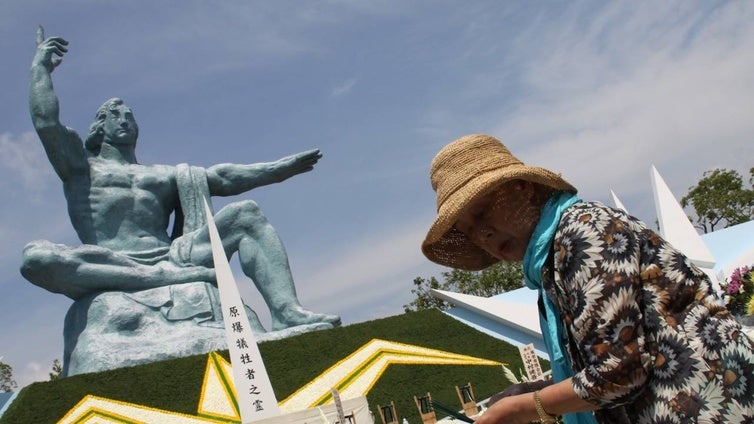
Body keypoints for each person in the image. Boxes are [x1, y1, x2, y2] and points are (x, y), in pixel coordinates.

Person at [23, 27, 340, 375]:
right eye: (117, 117)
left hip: (174, 257)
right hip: (112, 259)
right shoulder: (80, 167)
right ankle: (152, 280)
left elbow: (223, 178)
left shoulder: (162, 175)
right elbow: (45, 122)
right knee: (37, 258)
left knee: (247, 215)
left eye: (131, 117)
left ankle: (286, 312)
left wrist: (278, 170)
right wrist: (40, 68)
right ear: (100, 127)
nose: (126, 121)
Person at [421, 134, 754, 423]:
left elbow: (619, 372)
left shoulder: (582, 231)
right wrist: (528, 393)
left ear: (521, 188)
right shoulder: (552, 266)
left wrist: (523, 408)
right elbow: (608, 365)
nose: (483, 234)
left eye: (481, 211)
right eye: (468, 231)